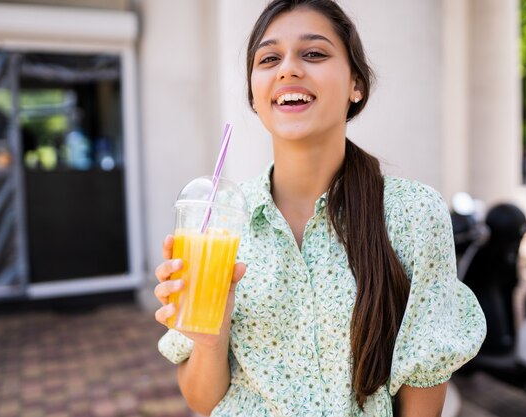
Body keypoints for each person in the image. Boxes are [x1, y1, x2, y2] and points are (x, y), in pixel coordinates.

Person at [153, 1, 486, 416]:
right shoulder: (220, 225)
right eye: (269, 58)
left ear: (356, 85)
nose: (287, 69)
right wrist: (209, 339)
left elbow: (423, 391)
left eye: (313, 53)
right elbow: (202, 401)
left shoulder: (413, 214)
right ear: (255, 95)